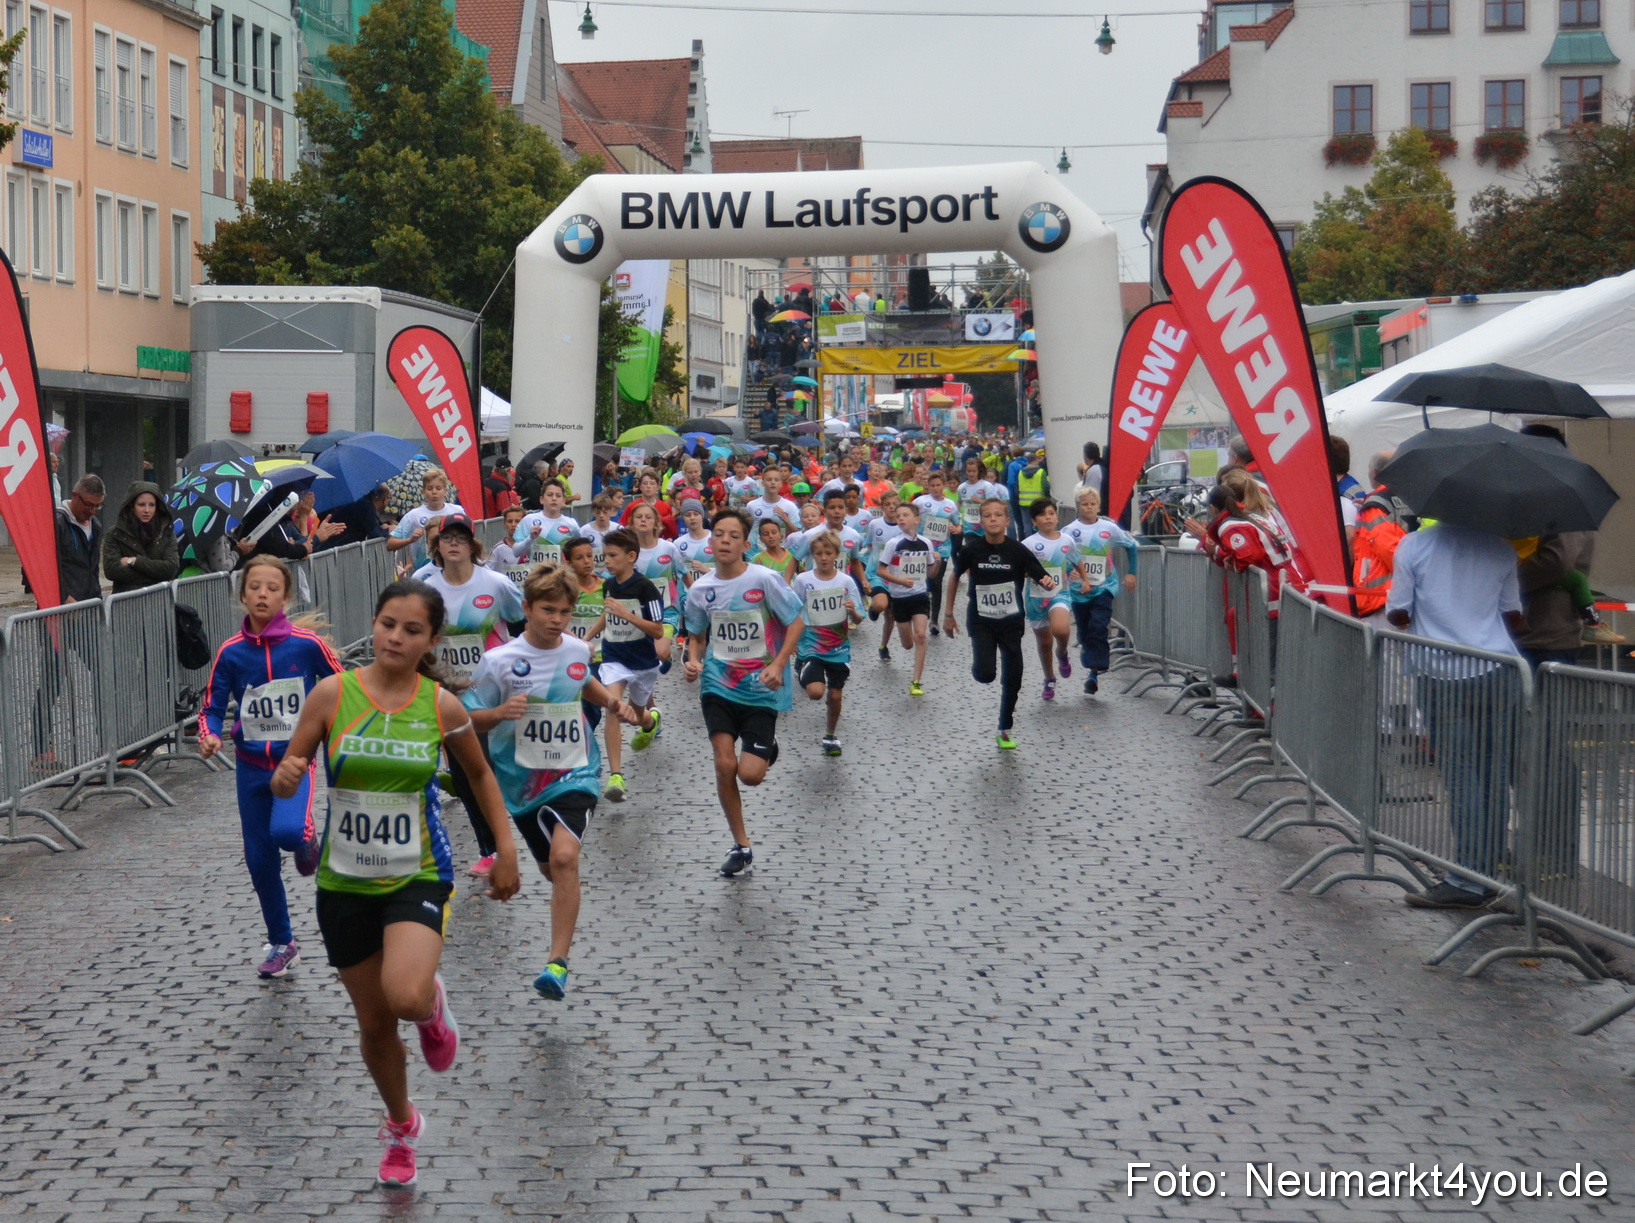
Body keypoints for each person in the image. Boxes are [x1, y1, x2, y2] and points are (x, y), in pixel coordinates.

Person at [270, 579, 522, 1188]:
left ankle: (432, 1007)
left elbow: (480, 778)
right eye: (388, 624)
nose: (395, 637)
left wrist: (507, 848)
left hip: (417, 872)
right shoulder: (333, 694)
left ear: (431, 640)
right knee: (376, 1024)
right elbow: (292, 775)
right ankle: (402, 1124)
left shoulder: (442, 706)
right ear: (374, 624)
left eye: (412, 630)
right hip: (344, 880)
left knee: (405, 997)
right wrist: (285, 778)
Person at [463, 566, 639, 1002]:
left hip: (576, 770)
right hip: (521, 783)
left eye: (564, 611)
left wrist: (615, 704)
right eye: (547, 610)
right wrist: (498, 715)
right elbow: (467, 717)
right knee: (550, 866)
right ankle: (561, 891)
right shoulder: (499, 662)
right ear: (526, 609)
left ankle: (556, 964)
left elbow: (584, 682)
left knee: (564, 858)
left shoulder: (578, 648)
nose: (556, 619)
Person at [199, 555, 343, 978]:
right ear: (243, 595)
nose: (263, 594)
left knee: (286, 832)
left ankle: (306, 838)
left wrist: (338, 732)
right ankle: (283, 942)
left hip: (295, 759)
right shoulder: (231, 652)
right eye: (255, 587)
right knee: (259, 860)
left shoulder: (306, 645)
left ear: (286, 596)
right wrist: (207, 734)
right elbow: (212, 706)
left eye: (272, 588)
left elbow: (341, 686)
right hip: (249, 766)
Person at [1385, 523, 1524, 911]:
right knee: (1492, 774)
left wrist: (1428, 616)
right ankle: (1488, 875)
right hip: (1497, 667)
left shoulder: (1414, 545)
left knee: (1461, 773)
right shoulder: (1501, 547)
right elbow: (1512, 615)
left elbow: (1398, 612)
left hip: (1439, 670)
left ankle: (1466, 877)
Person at [682, 509, 805, 877]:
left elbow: (796, 621)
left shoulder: (764, 580)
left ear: (745, 544)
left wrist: (780, 664)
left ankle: (766, 750)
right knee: (724, 763)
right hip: (718, 684)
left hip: (760, 687)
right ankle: (741, 844)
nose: (723, 540)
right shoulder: (700, 590)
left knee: (750, 774)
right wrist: (692, 661)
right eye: (718, 533)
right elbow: (697, 636)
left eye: (732, 535)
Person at [419, 513, 526, 879]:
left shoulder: (495, 584)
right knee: (463, 779)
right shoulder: (424, 585)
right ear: (437, 545)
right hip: (442, 692)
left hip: (486, 692)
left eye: (460, 538)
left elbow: (519, 621)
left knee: (483, 769)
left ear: (472, 545)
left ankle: (499, 843)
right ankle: (489, 848)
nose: (453, 544)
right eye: (446, 537)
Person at [943, 499, 1054, 749]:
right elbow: (954, 577)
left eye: (998, 515)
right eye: (987, 515)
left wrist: (1046, 581)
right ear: (981, 521)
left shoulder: (1017, 550)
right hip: (981, 621)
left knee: (1013, 677)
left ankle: (1005, 727)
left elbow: (1039, 572)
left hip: (1012, 621)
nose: (992, 519)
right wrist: (948, 614)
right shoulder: (972, 550)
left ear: (1007, 521)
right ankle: (980, 667)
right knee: (985, 674)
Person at [597, 528, 668, 803]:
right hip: (614, 656)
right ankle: (616, 775)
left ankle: (651, 722)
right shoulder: (608, 584)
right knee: (613, 708)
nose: (607, 561)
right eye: (605, 555)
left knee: (638, 714)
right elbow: (607, 616)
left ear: (631, 557)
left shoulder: (645, 588)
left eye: (613, 556)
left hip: (643, 662)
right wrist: (588, 639)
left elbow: (658, 631)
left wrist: (628, 615)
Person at [791, 531, 866, 756]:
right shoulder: (804, 580)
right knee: (815, 692)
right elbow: (794, 612)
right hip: (811, 646)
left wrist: (853, 613)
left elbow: (860, 617)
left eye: (828, 553)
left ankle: (831, 734)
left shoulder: (845, 581)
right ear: (812, 555)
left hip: (838, 648)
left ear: (836, 555)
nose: (823, 558)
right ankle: (802, 664)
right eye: (818, 554)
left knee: (834, 696)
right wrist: (792, 640)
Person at [1061, 486, 1138, 694]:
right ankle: (1092, 667)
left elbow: (1131, 546)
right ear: (1078, 506)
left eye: (1092, 504)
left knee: (1099, 625)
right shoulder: (1069, 531)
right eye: (1084, 504)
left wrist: (1132, 573)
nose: (1089, 507)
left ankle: (1097, 668)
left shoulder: (1109, 528)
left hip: (1105, 586)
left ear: (1098, 506)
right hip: (1079, 592)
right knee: (1085, 633)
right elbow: (1060, 556)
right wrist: (1069, 572)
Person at [1019, 500, 1088, 701]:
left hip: (1060, 593)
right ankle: (1049, 678)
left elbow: (1075, 560)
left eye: (1051, 513)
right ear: (1034, 521)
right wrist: (1032, 575)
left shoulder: (1066, 540)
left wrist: (1083, 578)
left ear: (1057, 517)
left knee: (1061, 629)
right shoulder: (1028, 544)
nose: (1048, 517)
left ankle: (1063, 651)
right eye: (1042, 515)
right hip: (1036, 598)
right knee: (1044, 641)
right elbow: (1020, 569)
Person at [874, 503, 936, 697]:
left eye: (905, 515)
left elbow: (931, 573)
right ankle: (892, 643)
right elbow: (880, 570)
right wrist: (900, 580)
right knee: (908, 644)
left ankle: (916, 681)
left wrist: (938, 562)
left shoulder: (926, 543)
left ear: (916, 520)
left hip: (919, 596)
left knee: (921, 635)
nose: (901, 519)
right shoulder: (894, 544)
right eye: (898, 516)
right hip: (899, 598)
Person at [1352, 451, 1407, 620]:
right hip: (1404, 593)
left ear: (1374, 472)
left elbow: (1388, 548)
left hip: (1382, 597)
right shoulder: (1409, 496)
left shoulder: (1376, 505)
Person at [102, 480, 179, 593]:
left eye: (152, 505)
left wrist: (134, 561)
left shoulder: (166, 533)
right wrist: (156, 575)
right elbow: (112, 570)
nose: (147, 510)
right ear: (132, 506)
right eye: (141, 505)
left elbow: (171, 568)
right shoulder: (115, 534)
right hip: (126, 602)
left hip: (159, 601)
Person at [388, 468, 472, 568]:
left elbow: (470, 538)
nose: (434, 492)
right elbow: (390, 544)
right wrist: (410, 540)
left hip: (453, 568)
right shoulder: (413, 516)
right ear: (423, 491)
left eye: (438, 488)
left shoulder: (457, 512)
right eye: (429, 488)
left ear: (445, 490)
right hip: (425, 572)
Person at [912, 470, 959, 633]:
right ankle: (922, 614)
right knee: (924, 583)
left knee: (937, 582)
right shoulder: (920, 502)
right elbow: (910, 518)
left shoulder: (950, 505)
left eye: (938, 485)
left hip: (943, 549)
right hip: (923, 548)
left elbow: (958, 525)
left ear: (943, 486)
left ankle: (934, 621)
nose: (935, 488)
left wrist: (955, 529)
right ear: (928, 486)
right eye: (932, 485)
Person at [52, 474, 107, 602]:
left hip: (88, 606)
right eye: (89, 505)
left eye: (98, 506)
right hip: (60, 607)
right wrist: (64, 597)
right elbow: (45, 568)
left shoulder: (95, 526)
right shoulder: (57, 523)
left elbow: (93, 569)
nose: (93, 511)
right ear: (74, 496)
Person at [513, 479, 582, 569]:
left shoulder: (571, 524)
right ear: (542, 499)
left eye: (558, 496)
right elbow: (515, 552)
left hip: (560, 577)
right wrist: (530, 538)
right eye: (550, 495)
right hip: (536, 577)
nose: (554, 498)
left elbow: (579, 551)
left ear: (563, 501)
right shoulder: (529, 520)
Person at [956, 456, 1006, 545]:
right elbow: (959, 502)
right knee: (971, 547)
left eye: (974, 471)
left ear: (979, 471)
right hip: (969, 524)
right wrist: (955, 515)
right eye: (969, 471)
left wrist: (979, 501)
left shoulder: (986, 486)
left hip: (984, 524)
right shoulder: (961, 487)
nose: (971, 474)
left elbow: (995, 503)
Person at [618, 469, 678, 539]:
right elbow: (622, 527)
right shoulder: (632, 507)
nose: (648, 486)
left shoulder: (665, 506)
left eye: (652, 483)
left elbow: (671, 528)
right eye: (645, 483)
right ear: (640, 487)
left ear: (657, 487)